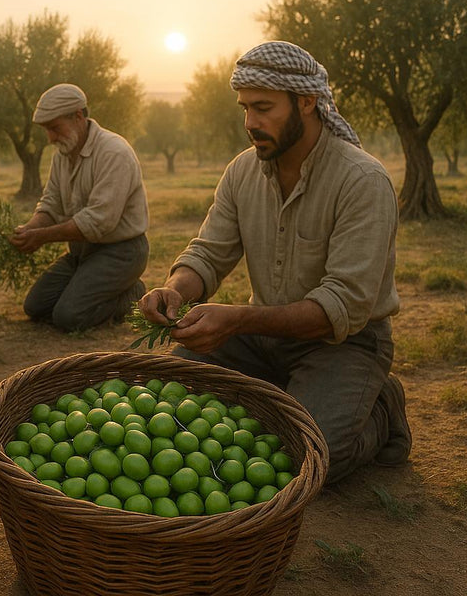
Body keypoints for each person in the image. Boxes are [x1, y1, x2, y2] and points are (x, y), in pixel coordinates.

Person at [137, 41, 410, 484]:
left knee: (308, 459)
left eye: (263, 108)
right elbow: (208, 253)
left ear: (307, 102)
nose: (250, 123)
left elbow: (339, 308)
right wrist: (176, 289)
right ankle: (296, 396)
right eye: (245, 108)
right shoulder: (242, 172)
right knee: (170, 398)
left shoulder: (362, 181)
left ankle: (380, 408)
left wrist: (237, 320)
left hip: (344, 342)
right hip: (261, 335)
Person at [10, 83, 149, 332]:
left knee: (69, 317)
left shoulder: (114, 152)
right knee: (35, 307)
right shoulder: (62, 154)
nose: (50, 138)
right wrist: (28, 230)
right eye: (46, 130)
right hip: (82, 251)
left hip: (122, 253)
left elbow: (98, 221)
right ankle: (101, 286)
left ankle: (132, 294)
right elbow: (51, 202)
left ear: (78, 116)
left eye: (54, 128)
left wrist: (41, 237)